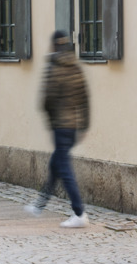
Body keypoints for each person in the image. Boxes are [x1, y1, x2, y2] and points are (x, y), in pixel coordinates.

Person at [25, 30, 89, 228]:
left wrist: (49, 116)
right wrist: (84, 125)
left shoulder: (54, 67)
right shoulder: (76, 67)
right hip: (73, 125)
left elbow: (47, 98)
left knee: (64, 168)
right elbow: (84, 98)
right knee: (55, 164)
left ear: (54, 45)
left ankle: (79, 212)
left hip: (60, 125)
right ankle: (39, 204)